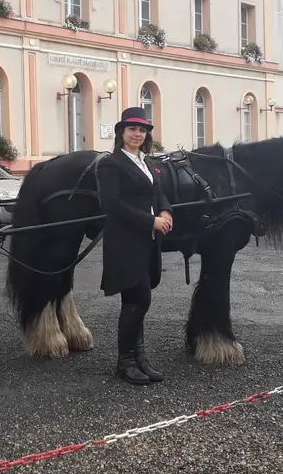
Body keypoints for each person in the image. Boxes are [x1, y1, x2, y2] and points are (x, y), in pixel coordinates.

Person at [97, 107, 173, 385]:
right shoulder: (111, 164)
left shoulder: (147, 163)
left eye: (142, 130)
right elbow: (113, 204)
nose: (137, 134)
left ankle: (139, 358)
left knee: (137, 301)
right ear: (121, 133)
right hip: (125, 243)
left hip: (147, 242)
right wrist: (150, 220)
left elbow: (159, 192)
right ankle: (125, 362)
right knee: (138, 300)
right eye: (132, 129)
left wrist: (165, 212)